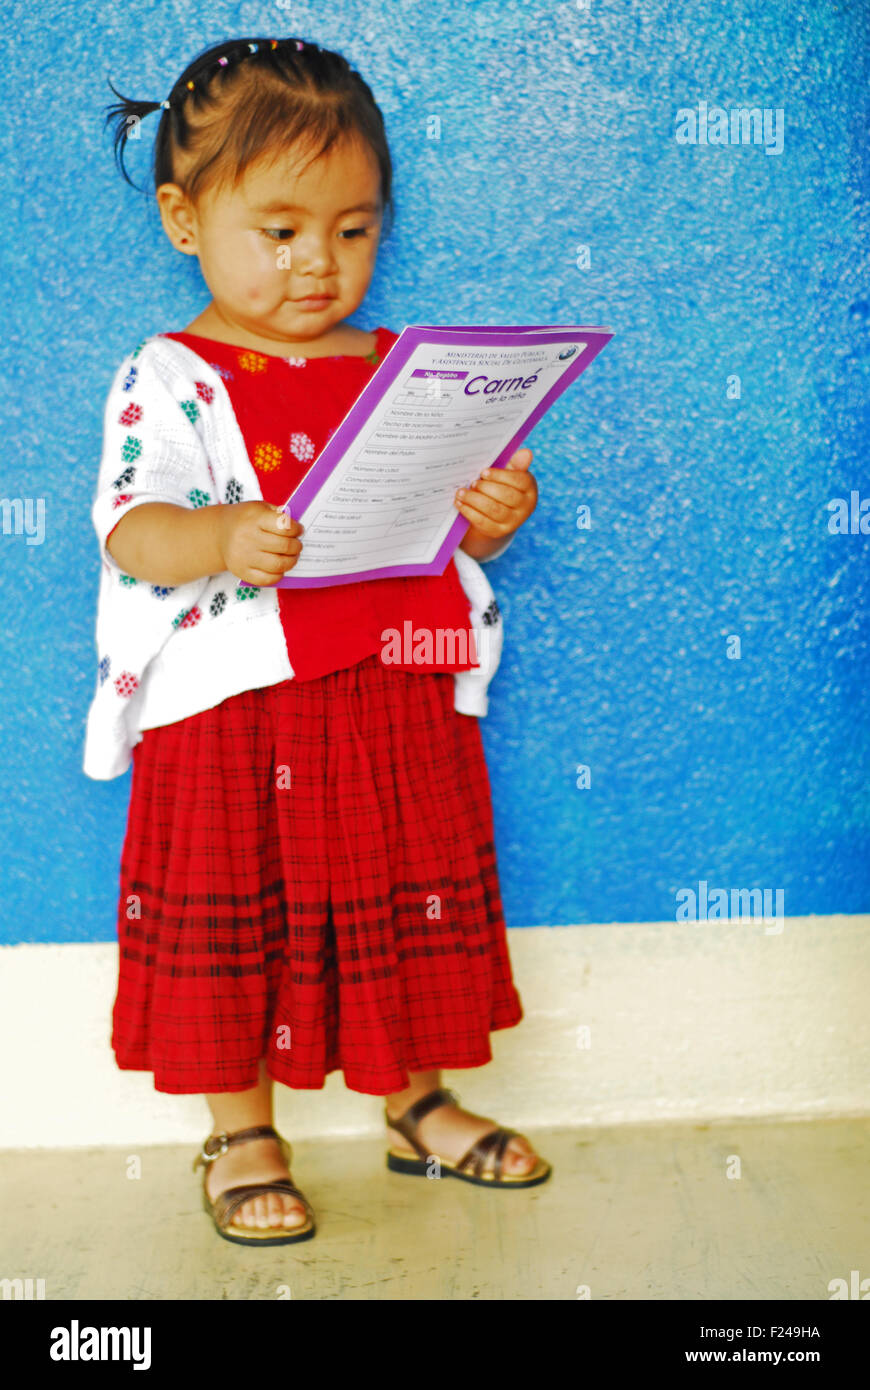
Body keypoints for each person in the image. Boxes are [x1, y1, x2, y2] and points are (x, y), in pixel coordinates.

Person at [87, 34, 551, 1247]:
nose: (320, 264)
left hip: (396, 688)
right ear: (187, 220)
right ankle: (241, 1131)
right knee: (238, 906)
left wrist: (495, 514)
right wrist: (221, 531)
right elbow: (131, 532)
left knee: (405, 902)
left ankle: (418, 1103)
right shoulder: (172, 375)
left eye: (354, 230)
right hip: (241, 707)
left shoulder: (405, 369)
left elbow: (440, 525)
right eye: (281, 230)